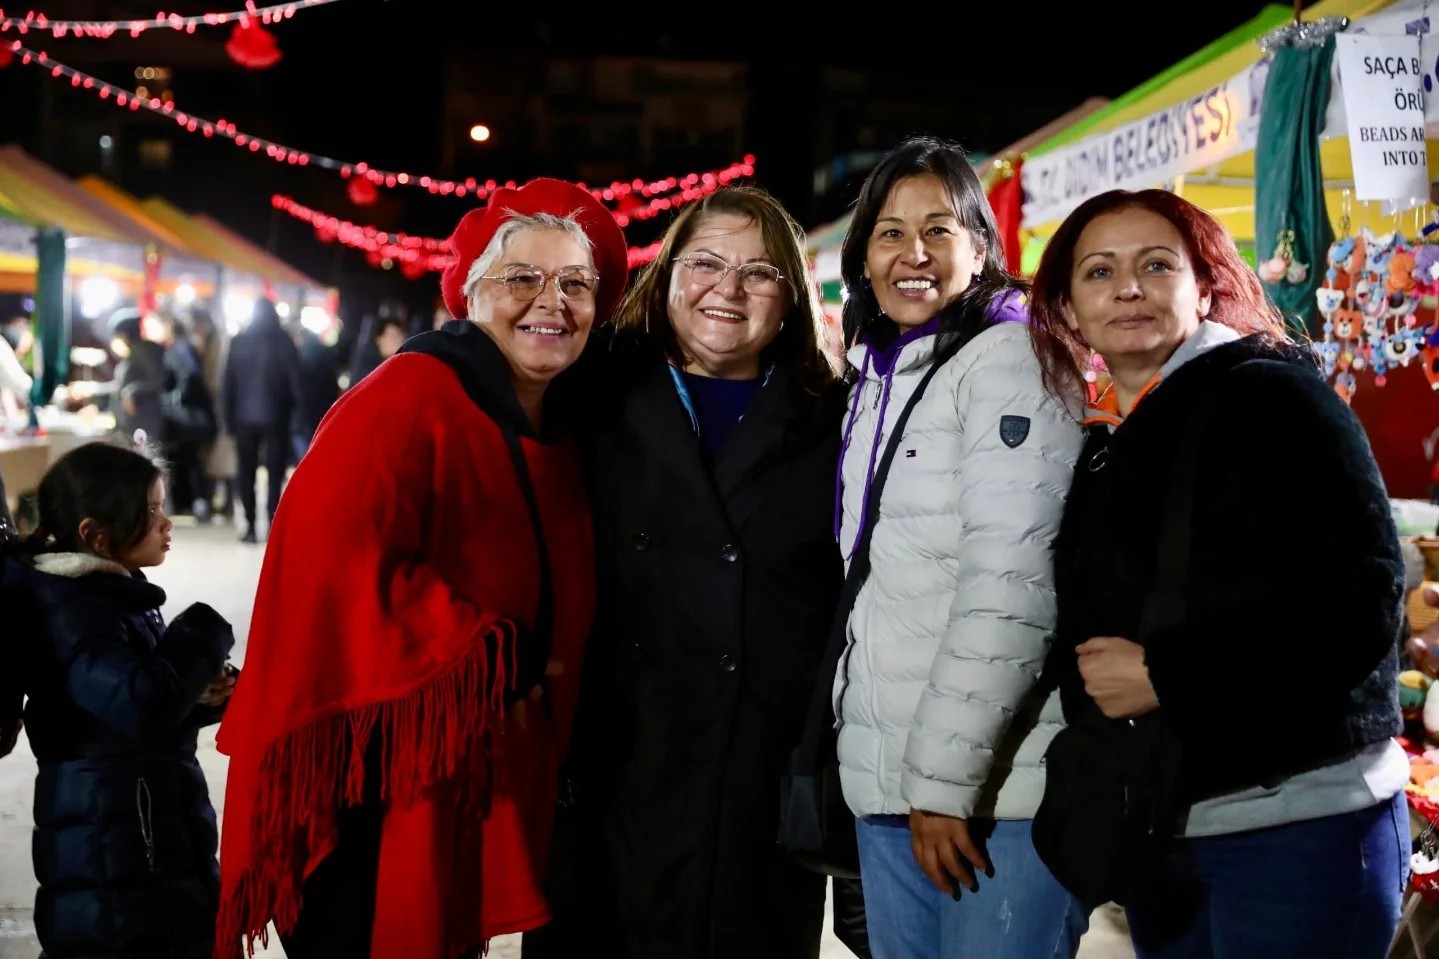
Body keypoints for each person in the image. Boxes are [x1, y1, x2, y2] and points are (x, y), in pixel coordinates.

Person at [213, 178, 628, 959]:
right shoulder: (409, 393)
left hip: (458, 778)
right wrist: (490, 652)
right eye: (522, 278)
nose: (552, 301)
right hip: (374, 782)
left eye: (576, 283)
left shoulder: (560, 420)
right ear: (471, 296)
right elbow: (331, 564)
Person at [1027, 188, 1409, 959]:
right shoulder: (1108, 436)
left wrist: (1172, 675)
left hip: (1298, 824)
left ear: (1204, 286)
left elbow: (1363, 599)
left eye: (1155, 265)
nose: (1127, 287)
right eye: (1098, 271)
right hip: (1168, 830)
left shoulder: (1273, 396)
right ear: (1067, 308)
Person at [536, 185, 854, 959]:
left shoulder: (834, 415)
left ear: (791, 294)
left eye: (759, 272)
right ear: (667, 273)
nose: (728, 288)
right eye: (705, 262)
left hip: (755, 769)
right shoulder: (589, 389)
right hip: (615, 756)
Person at [832, 135, 1087, 959]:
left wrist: (940, 786)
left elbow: (1011, 584)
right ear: (862, 255)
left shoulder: (1011, 358)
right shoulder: (879, 373)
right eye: (889, 231)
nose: (913, 253)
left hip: (989, 797)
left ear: (980, 248)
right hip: (891, 783)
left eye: (938, 230)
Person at [1, 440, 236, 959]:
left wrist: (200, 698)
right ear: (95, 535)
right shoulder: (74, 613)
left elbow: (131, 706)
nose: (166, 522)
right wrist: (200, 633)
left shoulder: (113, 594)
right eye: (151, 510)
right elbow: (142, 702)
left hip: (141, 837)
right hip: (114, 851)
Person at [220, 299, 302, 543]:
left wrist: (227, 420)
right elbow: (296, 382)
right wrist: (299, 415)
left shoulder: (238, 341)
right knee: (275, 473)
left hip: (243, 417)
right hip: (277, 416)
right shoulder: (284, 342)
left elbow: (227, 384)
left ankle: (250, 527)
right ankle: (272, 526)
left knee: (246, 472)